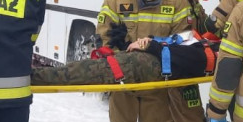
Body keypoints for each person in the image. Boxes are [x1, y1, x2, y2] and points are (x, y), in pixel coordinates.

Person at [31, 30, 219, 86]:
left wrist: (151, 44)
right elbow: (172, 43)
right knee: (82, 70)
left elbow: (182, 58)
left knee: (79, 73)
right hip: (136, 62)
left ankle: (33, 77)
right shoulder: (204, 44)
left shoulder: (212, 57)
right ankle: (32, 75)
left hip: (137, 67)